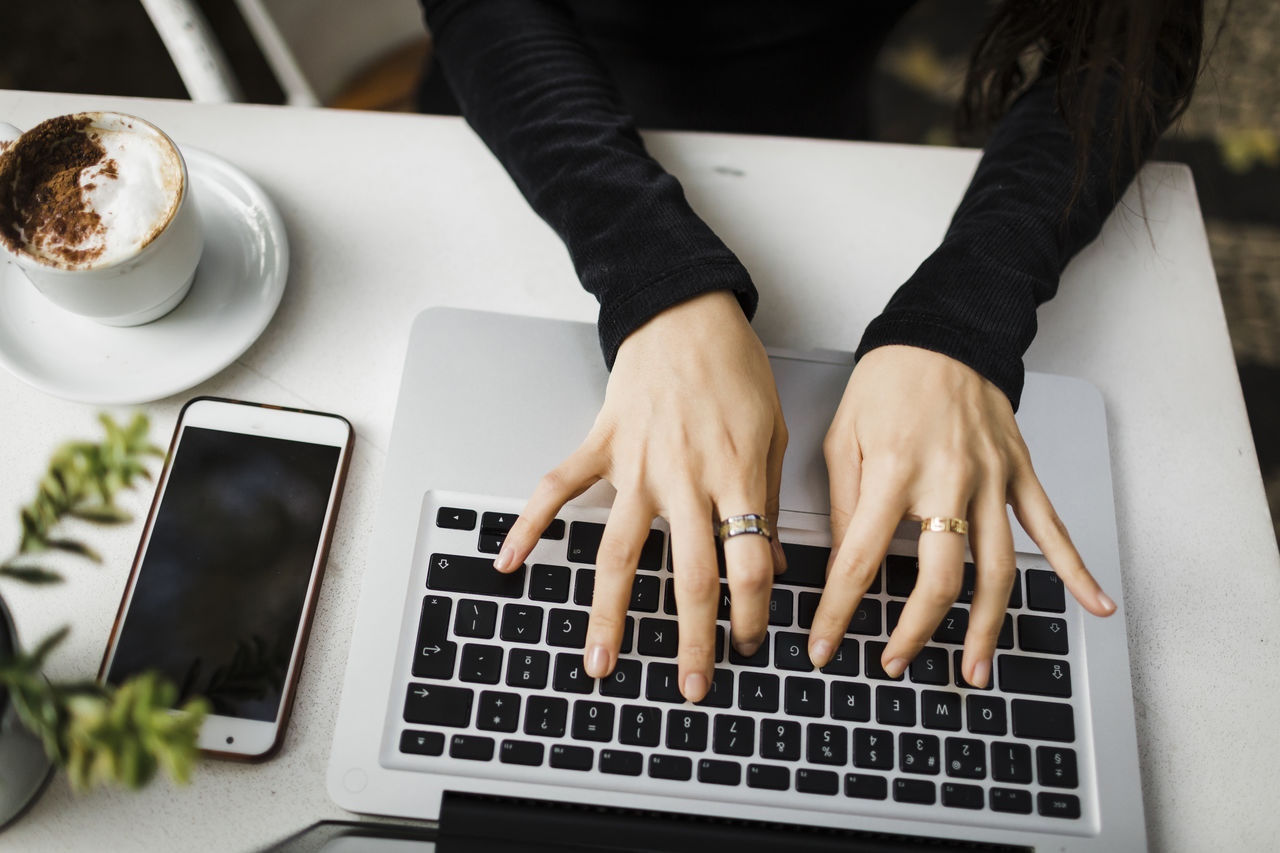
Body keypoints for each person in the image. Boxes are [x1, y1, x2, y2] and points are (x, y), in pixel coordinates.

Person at [415, 0, 1205, 703]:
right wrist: (654, 277)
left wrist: (963, 320)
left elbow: (1136, 38)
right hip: (528, 122)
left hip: (812, 133)